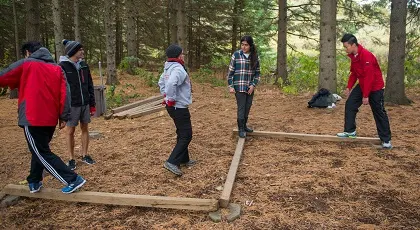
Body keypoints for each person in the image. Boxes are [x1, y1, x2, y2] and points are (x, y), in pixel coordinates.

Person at [0, 41, 86, 194]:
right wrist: (63, 116)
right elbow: (65, 94)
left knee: (41, 152)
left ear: (28, 52)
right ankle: (34, 180)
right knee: (39, 149)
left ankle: (72, 179)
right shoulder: (56, 68)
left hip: (32, 117)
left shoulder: (27, 63)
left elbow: (4, 76)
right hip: (50, 119)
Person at [337, 34, 392, 149]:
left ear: (353, 45)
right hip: (363, 85)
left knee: (379, 112)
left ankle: (386, 140)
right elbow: (354, 73)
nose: (345, 49)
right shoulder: (354, 56)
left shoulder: (366, 56)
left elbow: (369, 77)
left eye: (346, 46)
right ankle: (350, 131)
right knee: (350, 104)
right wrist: (349, 87)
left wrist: (366, 95)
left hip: (375, 87)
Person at [158, 44, 195, 176]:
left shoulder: (168, 67)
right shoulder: (178, 69)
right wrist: (171, 98)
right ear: (178, 56)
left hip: (173, 106)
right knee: (186, 135)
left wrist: (166, 96)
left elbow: (161, 82)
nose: (184, 55)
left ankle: (184, 159)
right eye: (182, 53)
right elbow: (170, 83)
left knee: (181, 132)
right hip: (178, 107)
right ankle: (172, 161)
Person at [59, 39, 96, 170]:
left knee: (85, 128)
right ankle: (71, 158)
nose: (83, 51)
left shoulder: (84, 65)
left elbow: (90, 84)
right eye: (80, 50)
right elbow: (60, 89)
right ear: (73, 51)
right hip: (72, 105)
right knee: (70, 131)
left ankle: (85, 155)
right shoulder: (62, 66)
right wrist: (62, 110)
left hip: (84, 103)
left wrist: (92, 103)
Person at [227, 35, 260, 138]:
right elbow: (230, 73)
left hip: (249, 87)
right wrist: (231, 86)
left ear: (250, 46)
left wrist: (253, 85)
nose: (244, 47)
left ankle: (244, 126)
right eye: (242, 44)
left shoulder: (255, 56)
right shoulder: (236, 55)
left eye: (246, 45)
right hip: (239, 86)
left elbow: (257, 73)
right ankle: (240, 128)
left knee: (248, 106)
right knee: (241, 107)